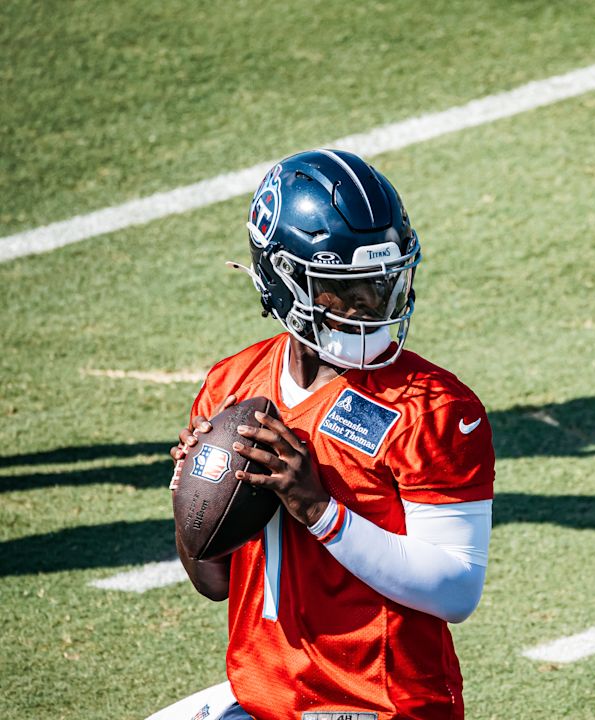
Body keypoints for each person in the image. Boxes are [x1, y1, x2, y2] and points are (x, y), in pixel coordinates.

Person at [153, 149, 495, 720]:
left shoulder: (434, 406)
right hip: (264, 693)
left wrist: (317, 508)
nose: (375, 306)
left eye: (385, 282)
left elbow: (456, 590)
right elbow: (213, 580)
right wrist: (189, 493)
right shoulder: (230, 384)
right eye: (347, 289)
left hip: (380, 705)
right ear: (283, 282)